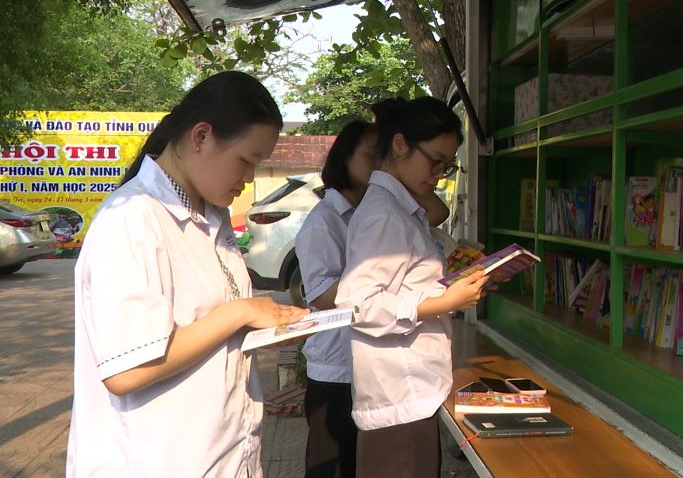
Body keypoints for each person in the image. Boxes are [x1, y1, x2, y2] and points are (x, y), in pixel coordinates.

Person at [67, 71, 310, 477]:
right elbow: (127, 370)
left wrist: (269, 327)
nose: (248, 179)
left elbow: (199, 328)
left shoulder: (208, 217)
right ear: (201, 137)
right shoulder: (133, 218)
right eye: (246, 161)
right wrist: (238, 314)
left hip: (219, 455)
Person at [336, 97, 491, 478]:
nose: (439, 174)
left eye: (447, 165)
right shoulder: (385, 214)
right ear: (400, 144)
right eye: (434, 160)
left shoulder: (399, 208)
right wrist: (443, 301)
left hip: (411, 390)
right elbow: (357, 304)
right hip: (399, 393)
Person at [295, 119, 450, 478]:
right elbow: (323, 295)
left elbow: (438, 213)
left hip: (366, 359)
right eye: (371, 155)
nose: (378, 162)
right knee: (332, 465)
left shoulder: (382, 205)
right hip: (336, 364)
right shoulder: (326, 220)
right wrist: (400, 297)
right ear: (344, 158)